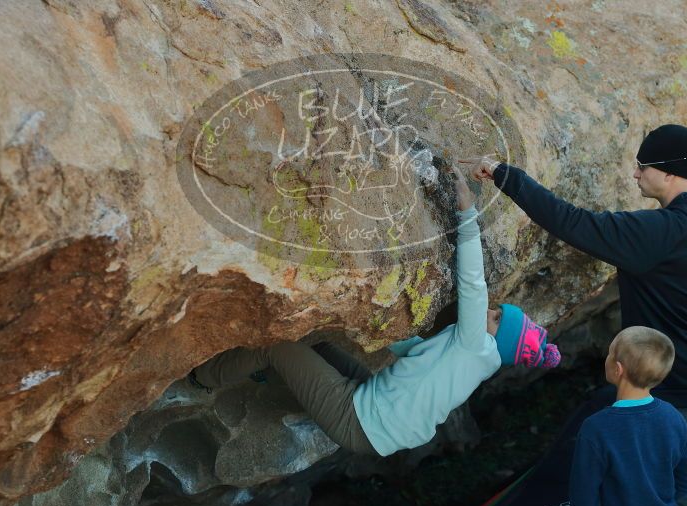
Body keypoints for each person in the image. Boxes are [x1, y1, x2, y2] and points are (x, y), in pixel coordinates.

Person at [465, 124, 687, 506]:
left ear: (669, 173)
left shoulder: (660, 232)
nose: (635, 174)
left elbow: (573, 222)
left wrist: (503, 174)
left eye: (643, 166)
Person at [189, 167, 561, 457]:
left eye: (497, 317)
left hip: (359, 420)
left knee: (278, 347)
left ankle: (203, 377)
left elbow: (472, 284)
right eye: (496, 310)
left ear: (500, 339)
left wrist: (467, 214)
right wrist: (376, 326)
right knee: (317, 346)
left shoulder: (476, 345)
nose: (490, 311)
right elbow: (417, 356)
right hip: (377, 413)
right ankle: (259, 368)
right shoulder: (476, 361)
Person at [570, 326, 687, 506]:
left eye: (610, 353)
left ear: (617, 369)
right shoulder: (674, 417)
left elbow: (584, 499)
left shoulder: (595, 428)